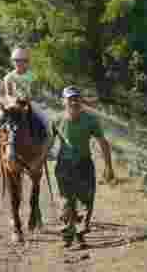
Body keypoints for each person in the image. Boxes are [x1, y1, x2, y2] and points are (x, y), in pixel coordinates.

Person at [49, 86, 116, 245]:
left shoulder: (91, 119)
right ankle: (68, 231)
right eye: (70, 99)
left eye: (76, 98)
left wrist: (108, 167)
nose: (73, 102)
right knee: (66, 200)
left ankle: (80, 231)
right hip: (64, 165)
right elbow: (49, 142)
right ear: (63, 101)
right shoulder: (56, 119)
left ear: (81, 100)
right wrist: (39, 159)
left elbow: (103, 143)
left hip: (84, 164)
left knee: (86, 200)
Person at [0, 47, 49, 158]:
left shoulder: (33, 77)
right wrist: (13, 101)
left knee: (45, 120)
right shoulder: (9, 77)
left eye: (22, 60)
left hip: (29, 103)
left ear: (27, 62)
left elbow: (36, 92)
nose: (19, 63)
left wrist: (29, 98)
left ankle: (46, 147)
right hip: (13, 104)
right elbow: (8, 94)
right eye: (16, 60)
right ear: (13, 61)